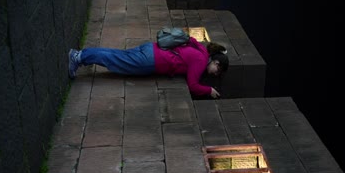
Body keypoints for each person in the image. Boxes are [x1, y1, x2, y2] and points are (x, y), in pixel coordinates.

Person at [68, 36, 229, 98]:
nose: (215, 74)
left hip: (152, 48)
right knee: (115, 60)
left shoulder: (201, 49)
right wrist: (209, 90)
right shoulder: (201, 61)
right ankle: (78, 57)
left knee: (116, 55)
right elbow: (193, 85)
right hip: (152, 60)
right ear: (216, 63)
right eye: (218, 71)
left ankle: (82, 55)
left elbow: (190, 40)